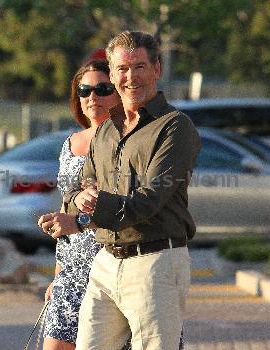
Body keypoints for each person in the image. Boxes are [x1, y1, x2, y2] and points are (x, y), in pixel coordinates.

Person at [39, 31, 198, 350]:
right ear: (113, 73)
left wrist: (84, 220)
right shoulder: (106, 131)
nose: (131, 77)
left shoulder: (174, 127)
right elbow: (76, 192)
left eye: (139, 66)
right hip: (107, 262)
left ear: (156, 68)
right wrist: (77, 201)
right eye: (122, 69)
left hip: (154, 260)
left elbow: (150, 199)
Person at [40, 59, 123, 350]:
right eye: (84, 90)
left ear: (118, 93)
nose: (92, 97)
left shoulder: (128, 140)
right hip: (72, 270)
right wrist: (58, 276)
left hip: (112, 262)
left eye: (103, 89)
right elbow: (66, 210)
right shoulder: (70, 143)